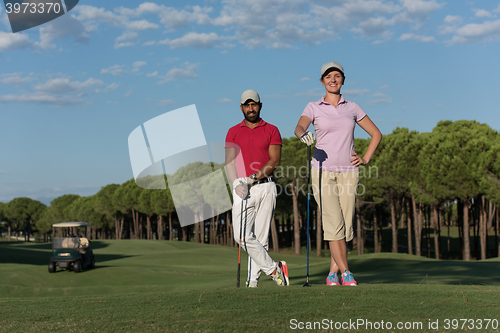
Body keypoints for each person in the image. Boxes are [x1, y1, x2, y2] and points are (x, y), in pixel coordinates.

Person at [294, 61, 382, 286]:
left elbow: (376, 134)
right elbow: (300, 127)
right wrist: (303, 134)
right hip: (322, 172)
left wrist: (365, 158)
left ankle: (332, 274)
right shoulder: (313, 107)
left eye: (337, 76)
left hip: (349, 173)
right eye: (328, 76)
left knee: (345, 225)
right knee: (333, 223)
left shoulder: (352, 107)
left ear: (343, 79)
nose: (333, 80)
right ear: (322, 81)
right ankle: (346, 272)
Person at [225, 89, 289, 287]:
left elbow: (274, 160)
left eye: (254, 105)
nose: (251, 108)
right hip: (241, 189)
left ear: (260, 106)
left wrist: (251, 179)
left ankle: (252, 283)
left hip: (265, 186)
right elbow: (229, 163)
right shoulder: (233, 131)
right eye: (247, 105)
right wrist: (236, 184)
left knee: (261, 238)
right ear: (242, 108)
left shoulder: (271, 129)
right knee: (242, 236)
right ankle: (274, 269)